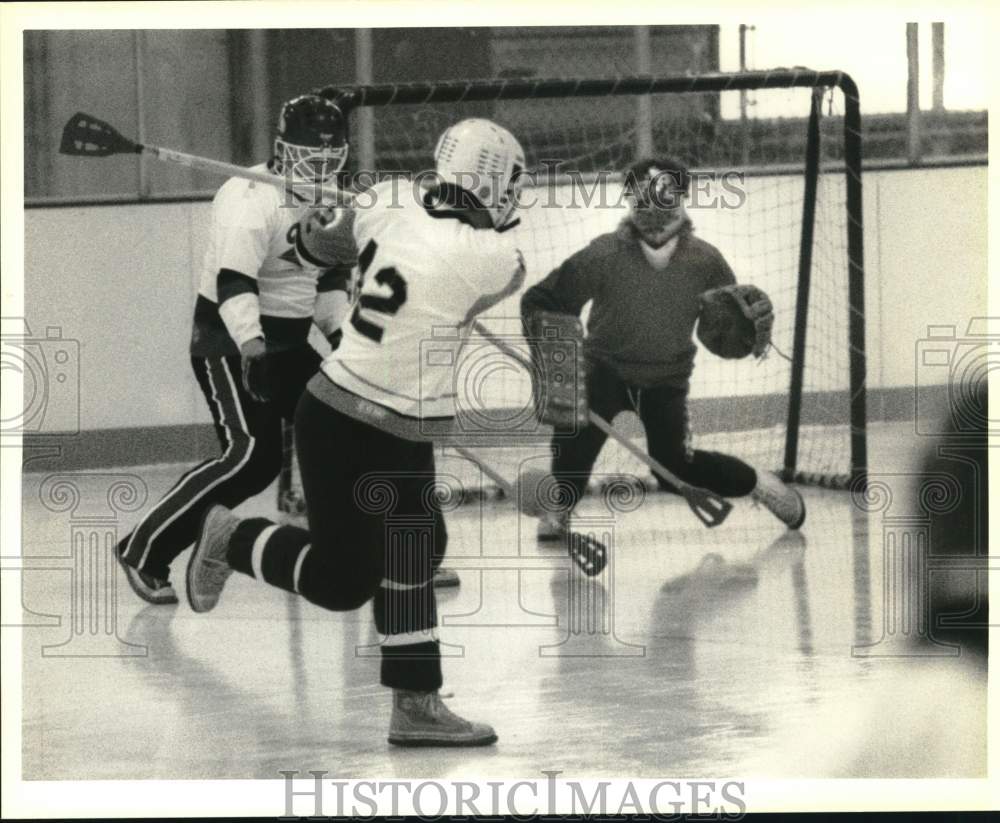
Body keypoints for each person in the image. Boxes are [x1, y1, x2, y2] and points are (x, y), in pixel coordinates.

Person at [187, 118, 527, 747]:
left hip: (382, 422)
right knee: (343, 583)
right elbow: (501, 274)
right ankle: (231, 537)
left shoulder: (388, 197)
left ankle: (415, 703)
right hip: (347, 420)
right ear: (494, 182)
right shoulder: (494, 257)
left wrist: (334, 228)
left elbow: (315, 252)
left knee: (417, 547)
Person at [115, 93, 353, 605]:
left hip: (288, 341)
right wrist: (252, 346)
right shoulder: (247, 199)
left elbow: (330, 278)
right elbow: (233, 282)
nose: (320, 171)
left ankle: (360, 549)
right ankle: (144, 549)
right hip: (229, 337)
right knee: (252, 456)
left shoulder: (329, 195)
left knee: (338, 427)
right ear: (282, 150)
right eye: (310, 159)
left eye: (330, 161)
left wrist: (344, 341)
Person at [520, 156, 805, 540]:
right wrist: (555, 359)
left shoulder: (705, 261)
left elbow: (724, 329)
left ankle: (761, 485)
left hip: (666, 380)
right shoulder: (604, 255)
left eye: (664, 200)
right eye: (643, 201)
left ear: (683, 200)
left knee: (673, 470)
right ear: (630, 202)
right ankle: (560, 506)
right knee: (574, 444)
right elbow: (543, 299)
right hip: (602, 371)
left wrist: (741, 336)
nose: (653, 211)